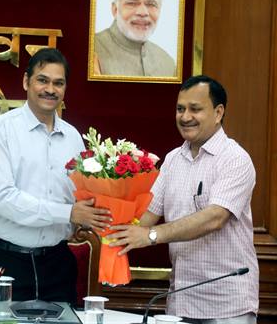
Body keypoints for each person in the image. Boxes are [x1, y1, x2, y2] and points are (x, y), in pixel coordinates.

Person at [107, 75, 258, 323]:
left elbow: (215, 217)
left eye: (195, 109)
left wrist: (151, 235)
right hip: (182, 298)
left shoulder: (235, 159)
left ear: (218, 113)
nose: (185, 117)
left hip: (227, 303)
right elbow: (147, 215)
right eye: (180, 109)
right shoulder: (172, 160)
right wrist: (108, 229)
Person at [0, 48, 112, 304]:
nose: (50, 89)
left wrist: (105, 215)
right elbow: (3, 198)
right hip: (3, 262)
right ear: (26, 81)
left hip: (57, 265)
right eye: (42, 80)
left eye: (58, 83)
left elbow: (81, 196)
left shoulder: (73, 137)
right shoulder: (1, 129)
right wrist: (68, 213)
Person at [94, 0, 176, 77]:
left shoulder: (168, 64)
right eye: (132, 3)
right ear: (115, 10)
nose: (143, 12)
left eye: (151, 4)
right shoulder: (91, 49)